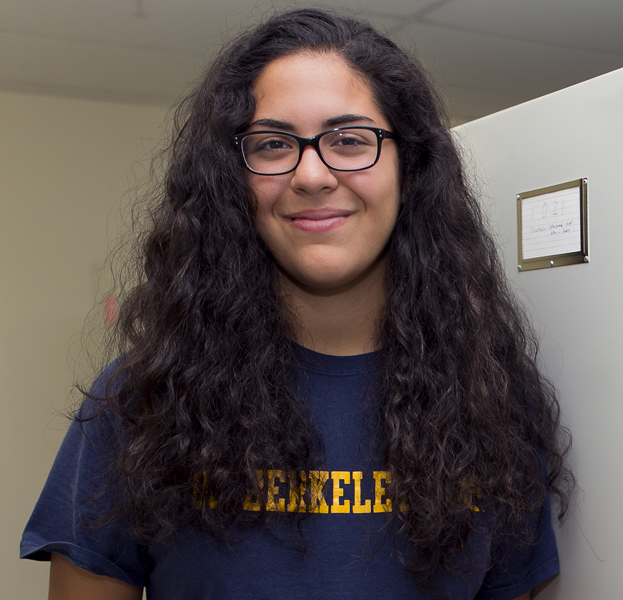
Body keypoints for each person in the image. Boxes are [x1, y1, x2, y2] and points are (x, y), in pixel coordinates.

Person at [20, 9, 571, 600]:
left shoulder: (492, 402)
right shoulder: (140, 402)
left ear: (410, 169)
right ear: (232, 180)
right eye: (274, 144)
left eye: (351, 140)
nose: (311, 174)